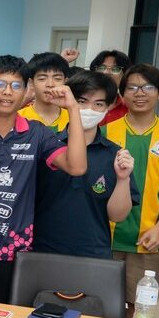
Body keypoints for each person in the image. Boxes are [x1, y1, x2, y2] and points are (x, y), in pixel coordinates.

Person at [0, 55, 87, 305]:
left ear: (26, 92)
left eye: (16, 86)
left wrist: (73, 109)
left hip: (12, 249)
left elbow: (76, 166)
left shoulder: (37, 132)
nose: (7, 93)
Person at [105, 63, 159, 317]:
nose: (140, 93)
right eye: (132, 87)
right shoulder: (106, 131)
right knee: (100, 302)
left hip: (148, 238)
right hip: (106, 236)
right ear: (122, 94)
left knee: (138, 309)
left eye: (148, 87)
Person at [35, 71, 135, 259]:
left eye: (98, 104)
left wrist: (123, 179)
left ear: (110, 107)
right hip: (42, 249)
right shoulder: (47, 145)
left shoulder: (115, 155)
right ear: (69, 101)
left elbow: (117, 216)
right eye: (81, 101)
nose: (89, 109)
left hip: (93, 253)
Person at [20, 52, 71, 132]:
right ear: (31, 83)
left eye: (57, 79)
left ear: (65, 82)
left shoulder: (73, 117)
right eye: (42, 79)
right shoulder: (18, 117)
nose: (50, 84)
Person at [90, 50, 132, 125]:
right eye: (102, 68)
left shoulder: (130, 107)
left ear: (125, 75)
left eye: (115, 69)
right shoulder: (79, 103)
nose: (107, 72)